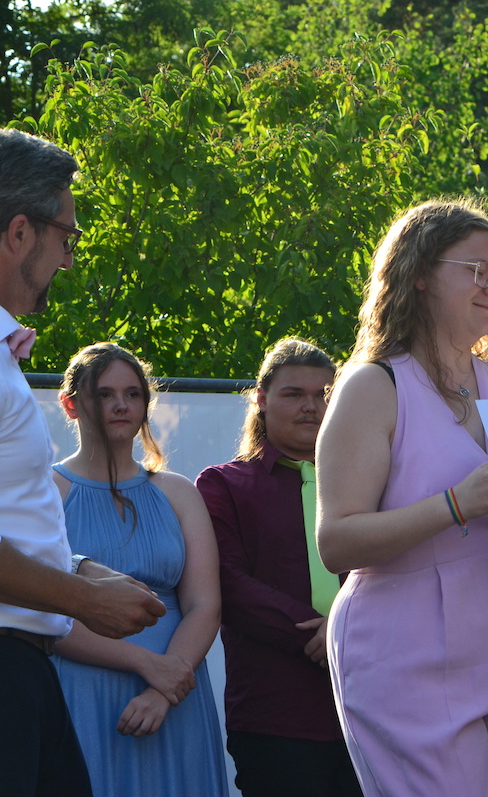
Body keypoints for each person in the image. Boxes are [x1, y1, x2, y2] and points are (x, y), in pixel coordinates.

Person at [316, 199, 488, 796]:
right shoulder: (374, 385)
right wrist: (455, 505)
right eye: (476, 271)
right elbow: (336, 541)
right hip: (408, 651)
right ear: (421, 274)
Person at [0, 128, 165, 796]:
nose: (68, 261)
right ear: (19, 233)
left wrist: (72, 567)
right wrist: (83, 598)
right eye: (67, 238)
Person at [50, 343, 227, 796]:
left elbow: (205, 605)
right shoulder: (47, 491)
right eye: (104, 394)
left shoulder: (179, 492)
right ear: (70, 405)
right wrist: (148, 665)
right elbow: (41, 610)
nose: (121, 405)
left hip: (176, 698)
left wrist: (164, 689)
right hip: (83, 692)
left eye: (133, 394)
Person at [196, 338, 362, 797]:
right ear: (261, 399)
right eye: (294, 394)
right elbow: (229, 583)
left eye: (323, 394)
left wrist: (348, 629)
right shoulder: (223, 485)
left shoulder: (372, 485)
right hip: (275, 711)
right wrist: (330, 634)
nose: (311, 406)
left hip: (371, 706)